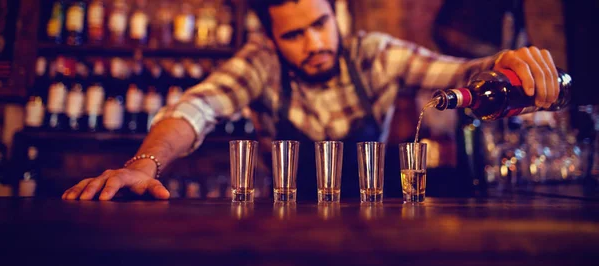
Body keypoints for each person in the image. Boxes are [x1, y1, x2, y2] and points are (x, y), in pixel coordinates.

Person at [62, 0, 562, 201]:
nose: (314, 44)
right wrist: (145, 163)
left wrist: (501, 67)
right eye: (295, 34)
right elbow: (196, 108)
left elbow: (457, 73)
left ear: (338, 16)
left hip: (373, 219)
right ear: (274, 38)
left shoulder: (374, 54)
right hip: (280, 225)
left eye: (321, 25)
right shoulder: (260, 62)